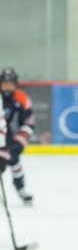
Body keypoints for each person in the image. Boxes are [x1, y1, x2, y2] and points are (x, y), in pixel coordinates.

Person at [1, 67, 35, 204]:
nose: (7, 87)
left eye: (10, 84)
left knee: (14, 160)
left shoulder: (21, 97)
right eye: (4, 83)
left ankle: (21, 189)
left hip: (4, 132)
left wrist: (20, 140)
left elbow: (29, 121)